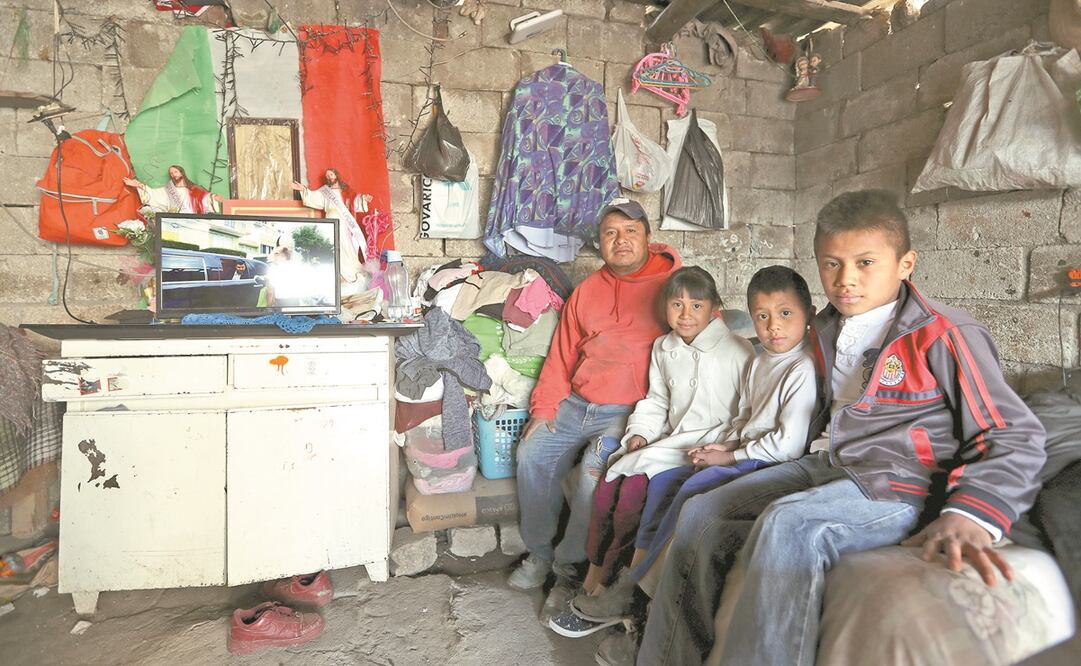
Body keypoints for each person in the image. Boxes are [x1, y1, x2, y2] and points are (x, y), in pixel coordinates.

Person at [637, 189, 1047, 666]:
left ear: (905, 264)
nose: (845, 279)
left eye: (865, 262)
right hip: (827, 463)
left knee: (791, 526)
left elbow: (1013, 433)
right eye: (831, 264)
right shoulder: (825, 326)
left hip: (899, 482)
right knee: (701, 511)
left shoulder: (945, 334)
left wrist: (972, 514)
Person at [557, 266, 820, 649]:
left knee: (686, 491)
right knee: (652, 482)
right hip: (730, 448)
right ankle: (617, 582)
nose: (773, 327)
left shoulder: (793, 365)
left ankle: (635, 595)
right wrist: (722, 447)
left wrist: (729, 455)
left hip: (762, 461)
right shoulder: (762, 359)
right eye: (762, 316)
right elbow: (743, 418)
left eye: (785, 314)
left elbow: (785, 444)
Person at [510, 198, 682, 604]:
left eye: (630, 232)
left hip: (629, 411)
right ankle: (538, 554)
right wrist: (544, 408)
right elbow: (562, 355)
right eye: (610, 233)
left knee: (592, 472)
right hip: (576, 403)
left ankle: (569, 566)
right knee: (531, 453)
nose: (620, 241)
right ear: (600, 244)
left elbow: (704, 343)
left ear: (648, 238)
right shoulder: (587, 290)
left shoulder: (674, 286)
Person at [292, 168, 371, 283]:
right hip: (330, 223)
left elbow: (354, 202)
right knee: (332, 247)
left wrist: (364, 199)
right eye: (327, 175)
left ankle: (351, 273)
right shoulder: (324, 192)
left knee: (345, 246)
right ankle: (338, 274)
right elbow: (313, 196)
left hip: (344, 224)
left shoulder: (346, 191)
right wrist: (303, 189)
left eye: (331, 174)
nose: (329, 177)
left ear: (336, 175)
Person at [123, 165, 222, 214]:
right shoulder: (167, 190)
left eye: (175, 171)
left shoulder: (194, 189)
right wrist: (138, 185)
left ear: (181, 173)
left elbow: (205, 198)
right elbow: (153, 194)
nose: (174, 174)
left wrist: (213, 197)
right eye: (171, 173)